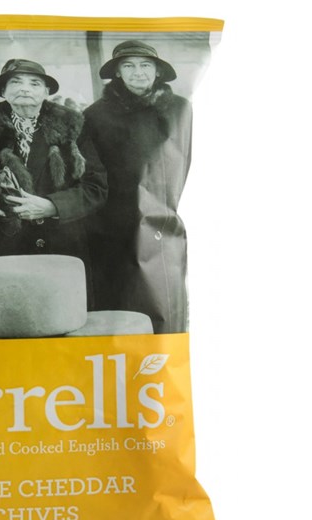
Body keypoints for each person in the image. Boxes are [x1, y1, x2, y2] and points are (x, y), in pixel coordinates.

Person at [0, 58, 107, 320]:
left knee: (60, 324)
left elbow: (95, 187)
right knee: (0, 325)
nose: (25, 89)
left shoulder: (72, 126)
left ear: (46, 91)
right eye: (15, 82)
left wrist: (53, 206)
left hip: (59, 248)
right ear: (3, 91)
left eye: (34, 83)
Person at [83, 41, 192, 333]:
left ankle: (163, 347)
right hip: (112, 221)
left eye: (145, 65)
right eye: (128, 66)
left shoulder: (181, 109)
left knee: (165, 292)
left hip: (165, 215)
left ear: (158, 71)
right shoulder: (95, 115)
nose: (138, 72)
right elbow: (91, 171)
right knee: (118, 296)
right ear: (117, 73)